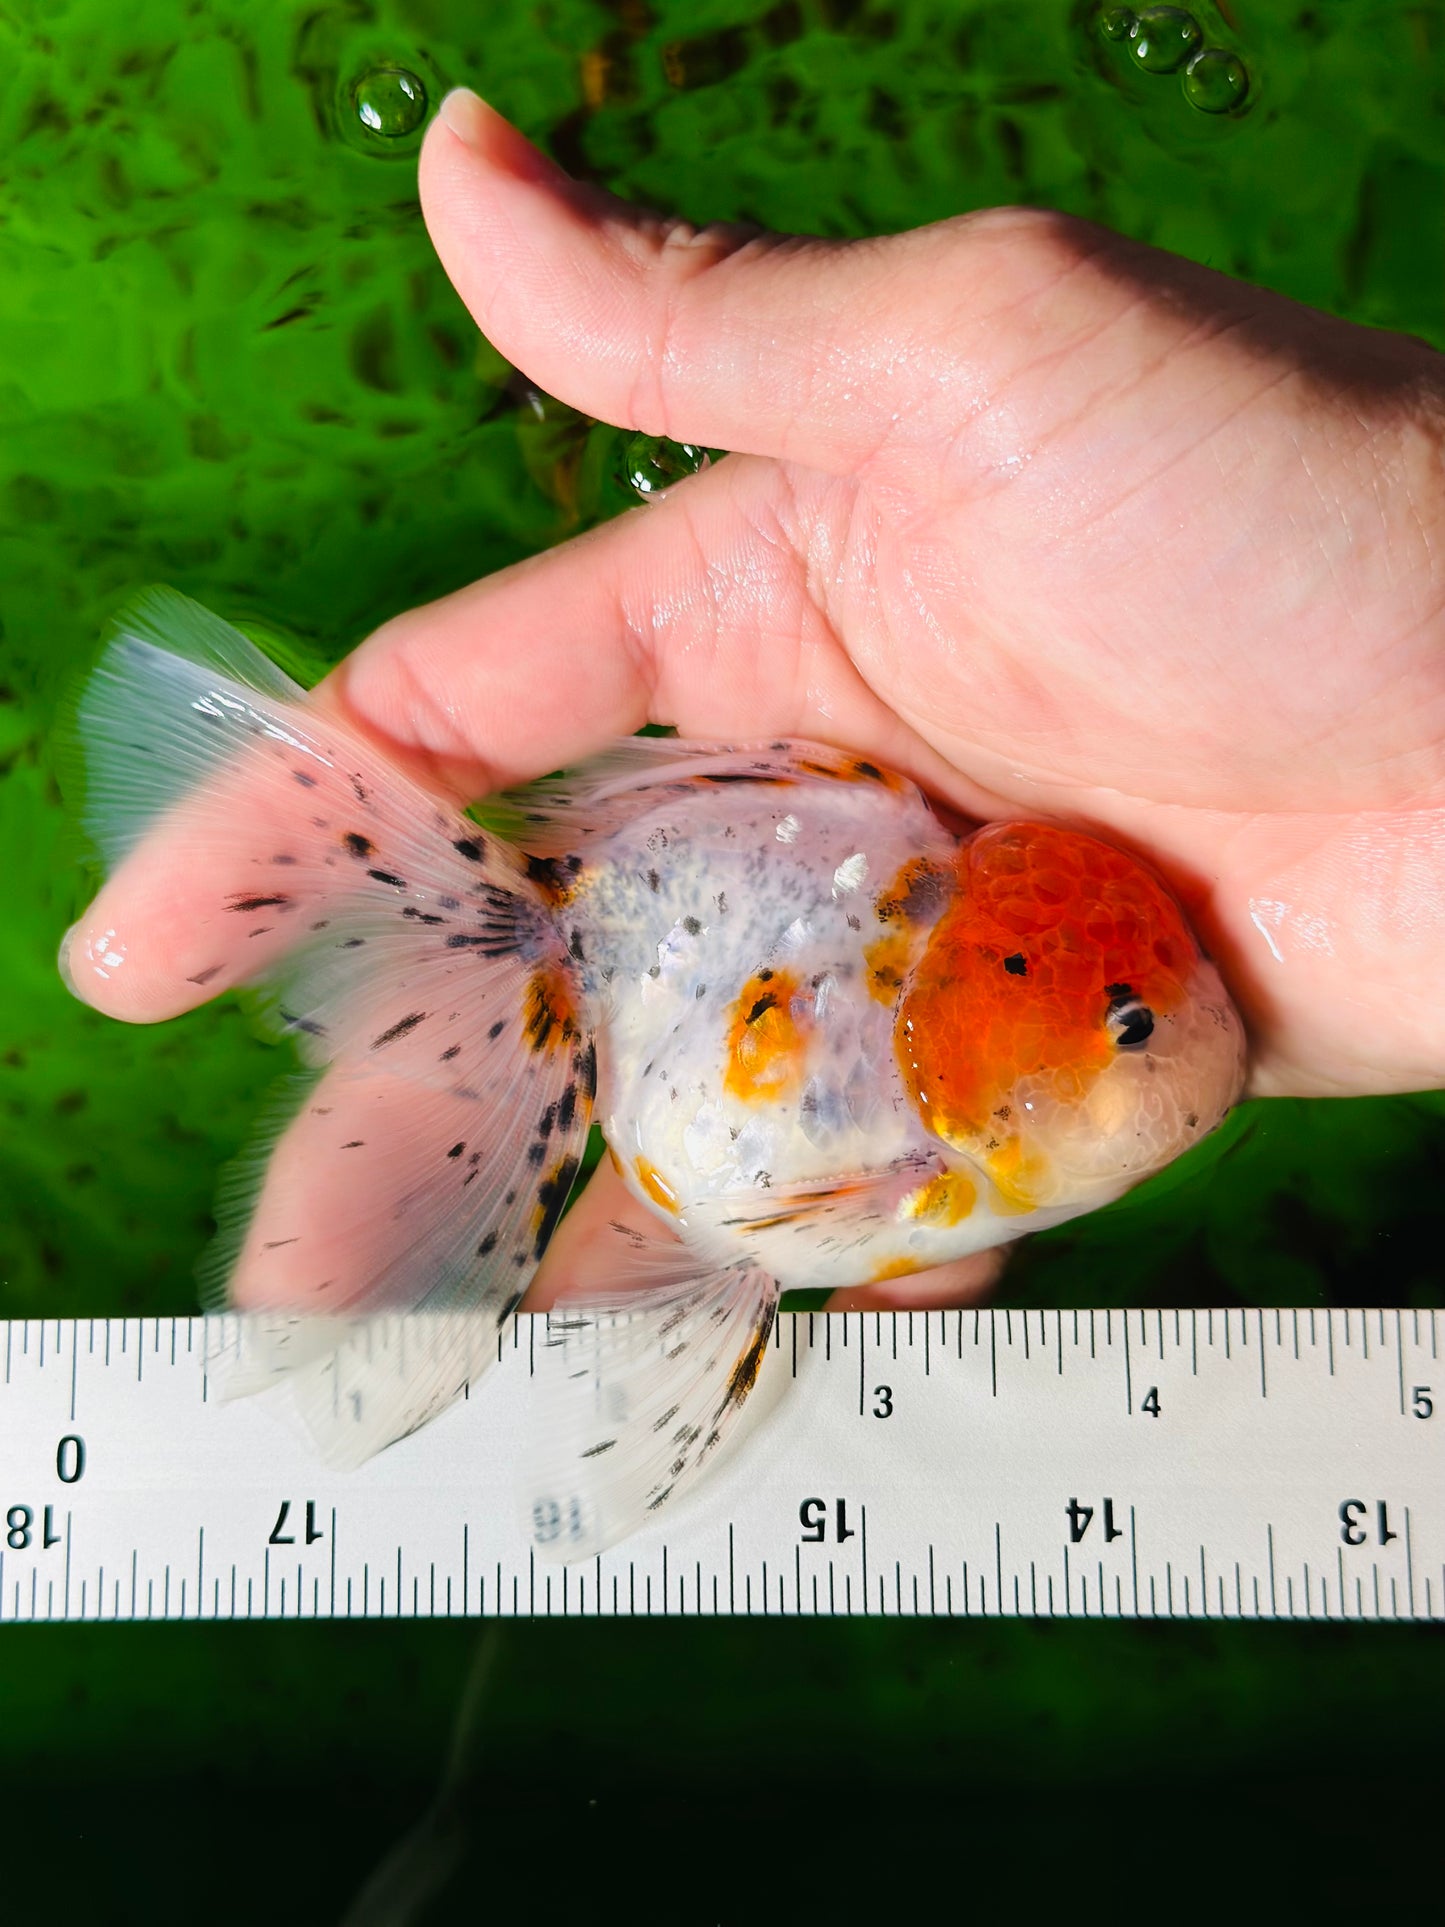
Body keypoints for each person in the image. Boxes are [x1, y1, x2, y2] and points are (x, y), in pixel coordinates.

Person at [64, 89, 1445, 1312]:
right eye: (1136, 1019)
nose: (1199, 999)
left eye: (1148, 999)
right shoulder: (939, 1090)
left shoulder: (975, 1094)